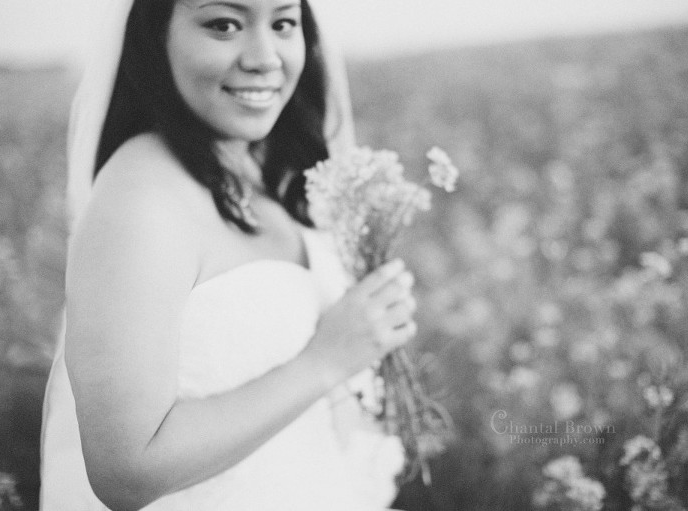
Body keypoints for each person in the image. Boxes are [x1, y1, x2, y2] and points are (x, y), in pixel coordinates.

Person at [39, 0, 417, 510]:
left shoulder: (266, 169)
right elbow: (126, 471)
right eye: (224, 24)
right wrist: (324, 361)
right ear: (156, 36)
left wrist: (372, 324)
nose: (265, 57)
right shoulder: (140, 198)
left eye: (283, 23)